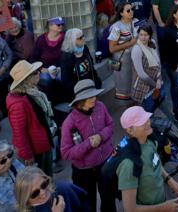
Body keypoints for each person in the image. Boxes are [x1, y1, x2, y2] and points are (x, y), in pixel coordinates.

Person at [115, 106, 178, 212]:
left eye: (147, 119)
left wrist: (170, 180)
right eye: (142, 122)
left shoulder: (150, 141)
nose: (148, 123)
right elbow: (130, 209)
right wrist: (164, 208)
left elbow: (156, 163)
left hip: (160, 202)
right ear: (130, 130)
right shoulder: (128, 164)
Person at [60, 80, 114, 212]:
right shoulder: (69, 123)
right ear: (80, 100)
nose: (94, 99)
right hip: (84, 172)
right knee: (87, 206)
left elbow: (110, 125)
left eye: (94, 95)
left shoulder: (100, 106)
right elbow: (66, 153)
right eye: (90, 96)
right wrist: (88, 143)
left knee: (109, 200)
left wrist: (101, 136)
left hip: (106, 164)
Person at [6, 60, 57, 176]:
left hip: (43, 142)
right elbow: (19, 133)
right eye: (34, 72)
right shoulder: (18, 104)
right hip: (37, 149)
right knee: (44, 178)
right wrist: (27, 155)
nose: (38, 73)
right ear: (26, 80)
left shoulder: (32, 92)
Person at [13, 166, 87, 212]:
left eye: (44, 185)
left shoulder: (64, 188)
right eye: (35, 193)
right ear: (25, 199)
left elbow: (85, 203)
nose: (43, 193)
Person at [107, 2, 138, 100]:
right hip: (121, 61)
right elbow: (111, 49)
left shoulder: (134, 22)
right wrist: (130, 43)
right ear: (121, 13)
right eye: (128, 10)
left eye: (132, 9)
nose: (131, 12)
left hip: (133, 59)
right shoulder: (116, 27)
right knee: (123, 85)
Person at [130, 25, 163, 112]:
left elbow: (158, 61)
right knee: (145, 111)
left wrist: (159, 79)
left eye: (146, 35)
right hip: (142, 86)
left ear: (150, 35)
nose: (143, 37)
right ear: (138, 35)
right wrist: (154, 84)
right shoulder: (136, 49)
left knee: (153, 107)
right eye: (141, 35)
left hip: (155, 82)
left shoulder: (152, 42)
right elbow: (141, 74)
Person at [60, 28, 100, 94]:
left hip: (91, 86)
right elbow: (66, 81)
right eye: (80, 38)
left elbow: (91, 68)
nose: (83, 38)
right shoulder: (66, 57)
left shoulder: (85, 48)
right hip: (78, 92)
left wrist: (96, 83)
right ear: (72, 41)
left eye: (83, 36)